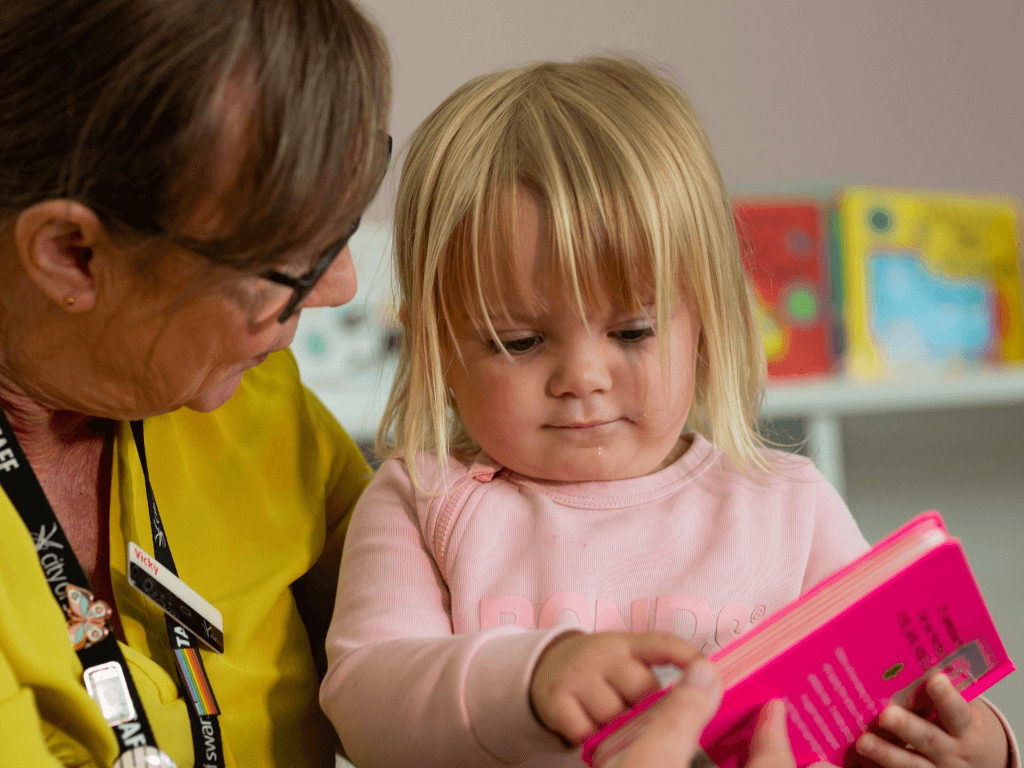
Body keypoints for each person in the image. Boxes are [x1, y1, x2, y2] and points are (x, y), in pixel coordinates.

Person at [318, 55, 1018, 768]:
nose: (583, 377)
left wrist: (981, 746)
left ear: (705, 318)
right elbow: (363, 705)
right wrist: (530, 680)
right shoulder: (422, 500)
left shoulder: (788, 505)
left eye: (632, 331)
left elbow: (893, 688)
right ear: (435, 341)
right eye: (521, 341)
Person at [0, 0, 392, 766]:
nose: (340, 286)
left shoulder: (255, 401)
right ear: (73, 254)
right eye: (292, 260)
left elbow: (431, 646)